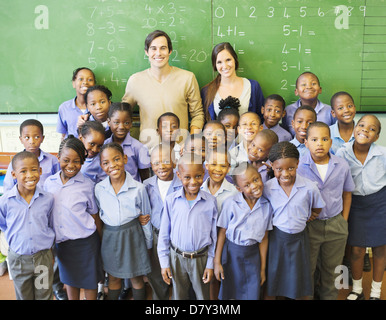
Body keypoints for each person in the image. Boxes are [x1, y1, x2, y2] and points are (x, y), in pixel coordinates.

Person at [297, 122, 355, 300]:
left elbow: (347, 193)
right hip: (309, 227)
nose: (319, 143)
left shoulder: (342, 165)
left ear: (331, 142)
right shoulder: (299, 167)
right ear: (306, 142)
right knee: (307, 270)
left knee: (333, 270)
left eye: (324, 139)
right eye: (314, 139)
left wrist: (343, 221)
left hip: (335, 225)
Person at [122, 30, 204, 149]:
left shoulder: (187, 78)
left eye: (163, 48)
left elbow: (197, 114)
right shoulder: (135, 81)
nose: (158, 53)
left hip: (180, 152)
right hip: (148, 153)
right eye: (153, 48)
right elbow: (122, 115)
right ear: (146, 52)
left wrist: (190, 143)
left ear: (170, 51)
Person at [44, 136, 103, 300]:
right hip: (62, 244)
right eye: (66, 160)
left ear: (83, 162)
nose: (71, 165)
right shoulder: (49, 183)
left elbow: (94, 215)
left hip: (86, 242)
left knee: (90, 281)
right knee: (70, 280)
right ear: (58, 158)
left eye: (76, 161)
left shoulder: (87, 184)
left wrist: (100, 240)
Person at [263, 141, 325, 300]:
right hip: (277, 239)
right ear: (272, 166)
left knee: (299, 279)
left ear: (297, 164)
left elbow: (317, 208)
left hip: (299, 239)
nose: (285, 174)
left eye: (290, 168)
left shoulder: (309, 187)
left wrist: (310, 216)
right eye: (279, 169)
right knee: (275, 277)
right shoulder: (267, 188)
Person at [336, 115, 386, 300]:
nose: (365, 130)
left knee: (380, 248)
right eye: (362, 125)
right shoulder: (342, 153)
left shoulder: (382, 153)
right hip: (355, 204)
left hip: (380, 202)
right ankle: (357, 290)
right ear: (355, 128)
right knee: (356, 250)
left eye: (372, 129)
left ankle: (375, 292)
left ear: (377, 136)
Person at [95, 142, 152, 300]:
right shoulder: (99, 189)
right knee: (113, 277)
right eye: (106, 163)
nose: (112, 165)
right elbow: (100, 215)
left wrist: (148, 244)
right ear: (101, 165)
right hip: (110, 238)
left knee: (136, 277)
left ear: (125, 159)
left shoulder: (138, 188)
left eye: (116, 159)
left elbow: (146, 218)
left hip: (133, 236)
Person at [157, 152, 218, 300]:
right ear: (178, 175)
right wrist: (164, 263)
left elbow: (214, 237)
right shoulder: (171, 200)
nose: (193, 182)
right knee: (178, 295)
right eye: (187, 177)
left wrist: (210, 263)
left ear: (203, 173)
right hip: (177, 258)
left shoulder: (210, 202)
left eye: (198, 176)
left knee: (202, 296)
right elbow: (164, 234)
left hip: (201, 258)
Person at [0, 151, 55, 300]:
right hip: (18, 260)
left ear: (40, 171)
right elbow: (4, 225)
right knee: (24, 296)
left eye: (34, 170)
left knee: (44, 295)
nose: (30, 175)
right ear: (13, 174)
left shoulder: (48, 199)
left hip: (42, 258)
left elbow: (50, 224)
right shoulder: (5, 201)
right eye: (23, 171)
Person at [215, 163, 272, 300]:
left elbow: (264, 238)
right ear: (238, 189)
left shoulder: (267, 206)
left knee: (252, 292)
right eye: (247, 185)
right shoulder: (230, 203)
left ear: (260, 177)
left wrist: (262, 269)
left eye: (256, 179)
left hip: (253, 256)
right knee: (230, 292)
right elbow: (222, 232)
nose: (254, 186)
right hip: (231, 255)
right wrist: (217, 262)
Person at [143, 144, 183, 300]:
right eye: (156, 163)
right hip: (155, 235)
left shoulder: (183, 183)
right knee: (156, 273)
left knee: (179, 274)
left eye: (166, 161)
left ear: (174, 162)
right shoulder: (146, 185)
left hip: (177, 237)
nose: (161, 166)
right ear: (151, 165)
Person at [201, 42, 264, 122]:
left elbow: (261, 118)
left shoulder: (253, 86)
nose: (225, 66)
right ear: (215, 65)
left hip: (247, 134)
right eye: (219, 62)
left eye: (228, 60)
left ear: (235, 60)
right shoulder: (207, 91)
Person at [3, 119, 60, 192]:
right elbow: (8, 189)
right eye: (27, 137)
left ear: (42, 138)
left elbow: (58, 184)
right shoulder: (15, 162)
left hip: (46, 202)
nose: (32, 142)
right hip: (23, 202)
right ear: (21, 139)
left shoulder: (52, 161)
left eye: (36, 137)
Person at [104, 102, 151, 182]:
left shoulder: (139, 147)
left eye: (126, 123)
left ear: (131, 123)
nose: (121, 127)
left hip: (133, 192)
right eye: (116, 122)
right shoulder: (104, 145)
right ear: (109, 122)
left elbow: (145, 176)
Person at [282, 72, 336, 136]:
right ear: (296, 92)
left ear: (320, 89)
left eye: (313, 84)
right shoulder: (288, 110)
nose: (309, 87)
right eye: (303, 84)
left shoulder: (330, 111)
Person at [56, 67, 96, 139]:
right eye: (81, 79)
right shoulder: (64, 108)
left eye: (90, 80)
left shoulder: (99, 108)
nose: (85, 82)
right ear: (73, 83)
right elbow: (63, 135)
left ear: (94, 84)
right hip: (72, 148)